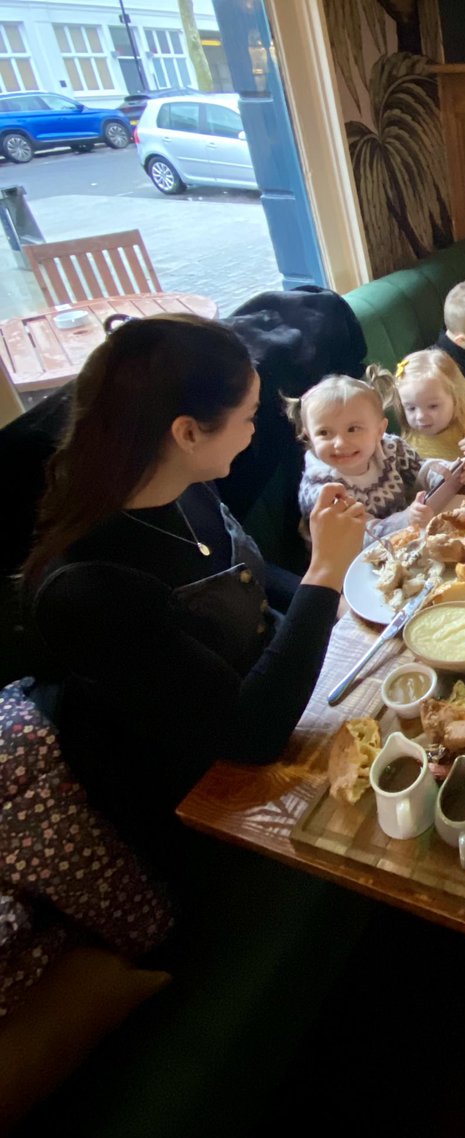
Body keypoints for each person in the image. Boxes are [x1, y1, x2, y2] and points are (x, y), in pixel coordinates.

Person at [23, 314, 366, 867]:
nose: (256, 430)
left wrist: (343, 592)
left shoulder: (178, 483)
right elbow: (251, 733)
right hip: (205, 800)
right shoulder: (86, 592)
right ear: (186, 432)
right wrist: (324, 574)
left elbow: (246, 575)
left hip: (275, 695)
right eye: (250, 416)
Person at [284, 368, 434, 539]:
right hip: (351, 559)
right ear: (308, 435)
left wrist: (449, 471)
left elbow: (422, 470)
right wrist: (405, 519)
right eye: (324, 433)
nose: (339, 443)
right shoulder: (322, 489)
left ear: (379, 431)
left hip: (405, 538)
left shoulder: (389, 448)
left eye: (352, 429)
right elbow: (358, 537)